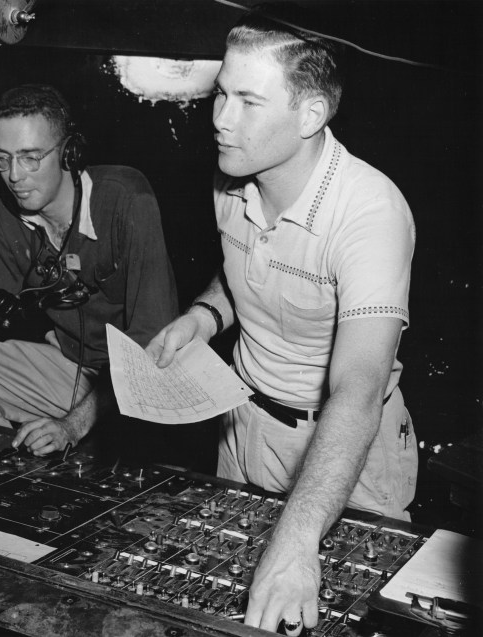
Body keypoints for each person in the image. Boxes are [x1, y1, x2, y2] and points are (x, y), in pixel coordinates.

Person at [146, 10, 418, 636]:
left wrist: (297, 542)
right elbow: (243, 275)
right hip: (241, 429)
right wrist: (202, 318)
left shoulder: (369, 212)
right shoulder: (231, 179)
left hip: (341, 451)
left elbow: (359, 385)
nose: (219, 119)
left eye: (247, 100)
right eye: (221, 92)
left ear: (310, 115)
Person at [0, 84, 178, 456]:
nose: (14, 175)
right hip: (74, 372)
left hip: (141, 382)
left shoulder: (126, 199)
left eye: (30, 157)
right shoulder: (3, 215)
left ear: (68, 153)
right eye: (2, 158)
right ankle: (8, 468)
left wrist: (72, 426)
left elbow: (151, 341)